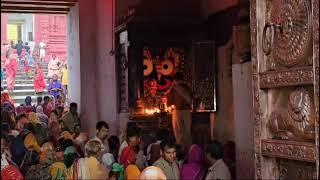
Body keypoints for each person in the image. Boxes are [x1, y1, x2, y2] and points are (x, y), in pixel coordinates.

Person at [168, 72, 193, 149]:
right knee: (187, 133)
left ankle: (181, 151)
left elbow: (169, 102)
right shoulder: (187, 87)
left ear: (175, 80)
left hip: (178, 111)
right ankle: (188, 151)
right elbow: (191, 99)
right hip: (187, 111)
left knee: (178, 133)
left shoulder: (174, 88)